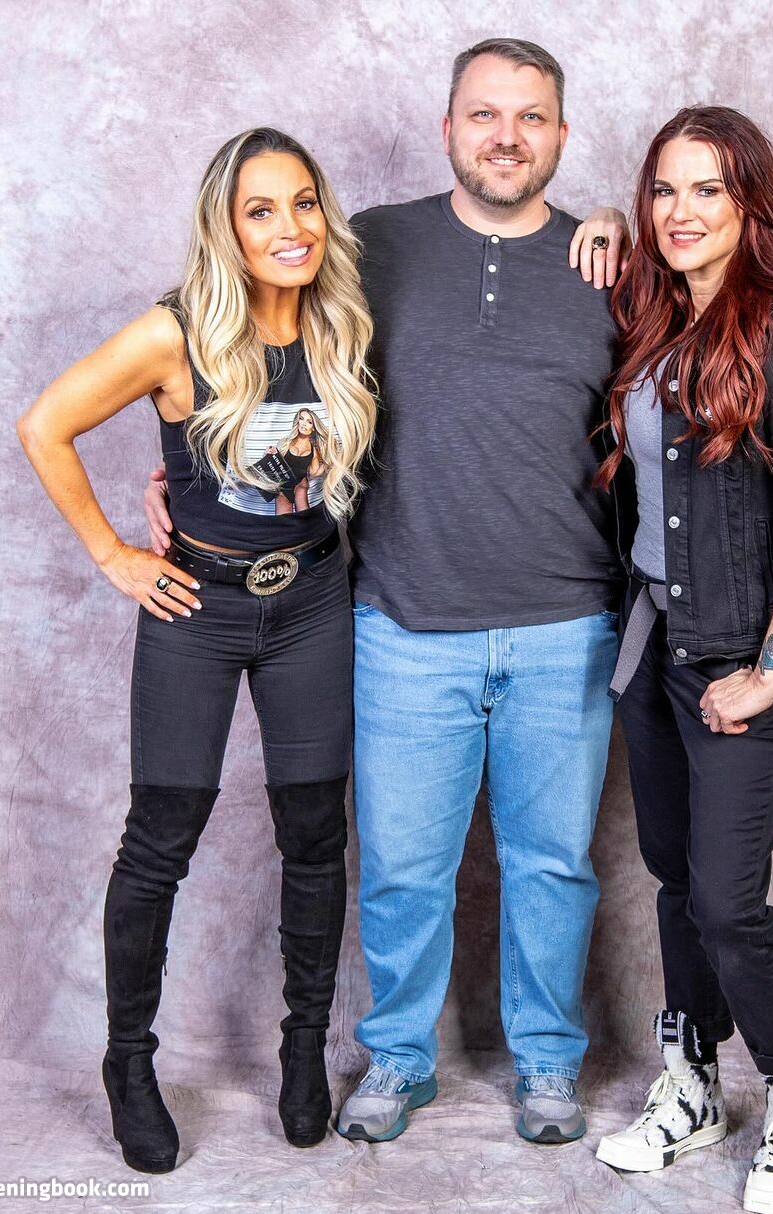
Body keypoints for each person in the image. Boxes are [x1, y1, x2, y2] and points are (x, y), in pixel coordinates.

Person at [144, 39, 631, 1145]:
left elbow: (676, 402)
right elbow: (243, 339)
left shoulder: (611, 267)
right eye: (484, 114)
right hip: (404, 622)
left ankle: (549, 1063)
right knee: (405, 871)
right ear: (448, 127)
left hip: (567, 627)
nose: (507, 136)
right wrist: (185, 468)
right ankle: (400, 1058)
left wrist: (619, 223)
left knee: (554, 868)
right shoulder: (368, 248)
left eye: (532, 117)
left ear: (561, 134)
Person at [17, 127, 376, 1172]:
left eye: (303, 202)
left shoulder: (345, 321)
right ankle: (129, 1063)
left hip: (313, 601)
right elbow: (45, 425)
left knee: (315, 833)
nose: (290, 227)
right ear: (227, 226)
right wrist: (115, 553)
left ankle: (303, 1048)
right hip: (197, 611)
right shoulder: (174, 333)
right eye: (261, 209)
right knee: (160, 838)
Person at [591, 107, 773, 1214]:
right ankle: (692, 1084)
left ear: (752, 204)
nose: (682, 211)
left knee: (727, 899)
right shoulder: (653, 313)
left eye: (709, 189)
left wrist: (771, 671)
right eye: (664, 189)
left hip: (742, 659)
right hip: (654, 646)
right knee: (673, 880)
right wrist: (604, 221)